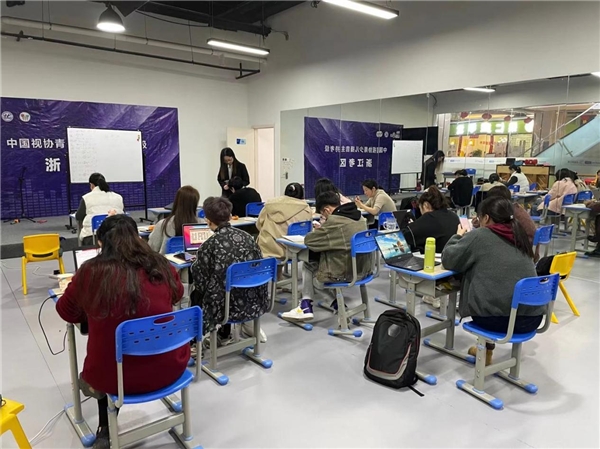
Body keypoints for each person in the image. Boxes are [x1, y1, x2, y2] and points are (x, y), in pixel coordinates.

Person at [56, 215, 187, 449]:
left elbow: (66, 311)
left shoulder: (90, 272)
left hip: (115, 380)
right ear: (137, 238)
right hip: (171, 368)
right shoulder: (161, 265)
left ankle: (104, 428)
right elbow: (177, 294)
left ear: (100, 243)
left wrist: (89, 306)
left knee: (104, 358)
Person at [442, 197, 542, 365]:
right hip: (532, 318)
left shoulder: (481, 235)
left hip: (500, 320)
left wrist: (457, 236)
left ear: (486, 218)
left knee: (488, 299)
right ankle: (486, 351)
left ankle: (484, 359)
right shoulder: (519, 235)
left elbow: (449, 259)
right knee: (494, 289)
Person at [281, 191, 371, 320]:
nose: (324, 218)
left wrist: (320, 231)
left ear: (327, 210)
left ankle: (306, 306)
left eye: (323, 215)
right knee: (314, 266)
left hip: (345, 272)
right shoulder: (360, 218)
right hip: (362, 268)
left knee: (310, 268)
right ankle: (335, 305)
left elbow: (310, 241)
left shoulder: (335, 221)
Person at [190, 197, 268, 344]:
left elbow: (201, 281)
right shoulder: (249, 238)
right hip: (254, 300)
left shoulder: (209, 245)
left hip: (225, 306)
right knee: (225, 283)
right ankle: (225, 334)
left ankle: (194, 343)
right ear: (230, 216)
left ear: (208, 221)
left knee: (198, 293)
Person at [475, 185, 540, 261]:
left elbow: (492, 233)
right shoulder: (513, 209)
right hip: (528, 252)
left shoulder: (508, 213)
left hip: (523, 253)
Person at [256, 182, 313, 267]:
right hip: (294, 249)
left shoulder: (270, 206)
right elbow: (309, 230)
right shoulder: (306, 209)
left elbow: (258, 225)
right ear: (302, 196)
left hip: (268, 248)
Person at [403, 185, 459, 254]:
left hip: (435, 257)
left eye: (420, 208)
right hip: (451, 256)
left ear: (425, 205)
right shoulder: (453, 216)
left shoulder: (429, 218)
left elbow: (405, 236)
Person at [76, 173, 124, 246]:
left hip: (93, 237)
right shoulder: (118, 197)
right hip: (116, 236)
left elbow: (79, 216)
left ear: (91, 185)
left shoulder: (86, 198)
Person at [148, 185, 200, 254]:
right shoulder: (202, 225)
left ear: (176, 202)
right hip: (194, 260)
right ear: (195, 205)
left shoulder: (163, 224)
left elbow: (151, 248)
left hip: (166, 260)